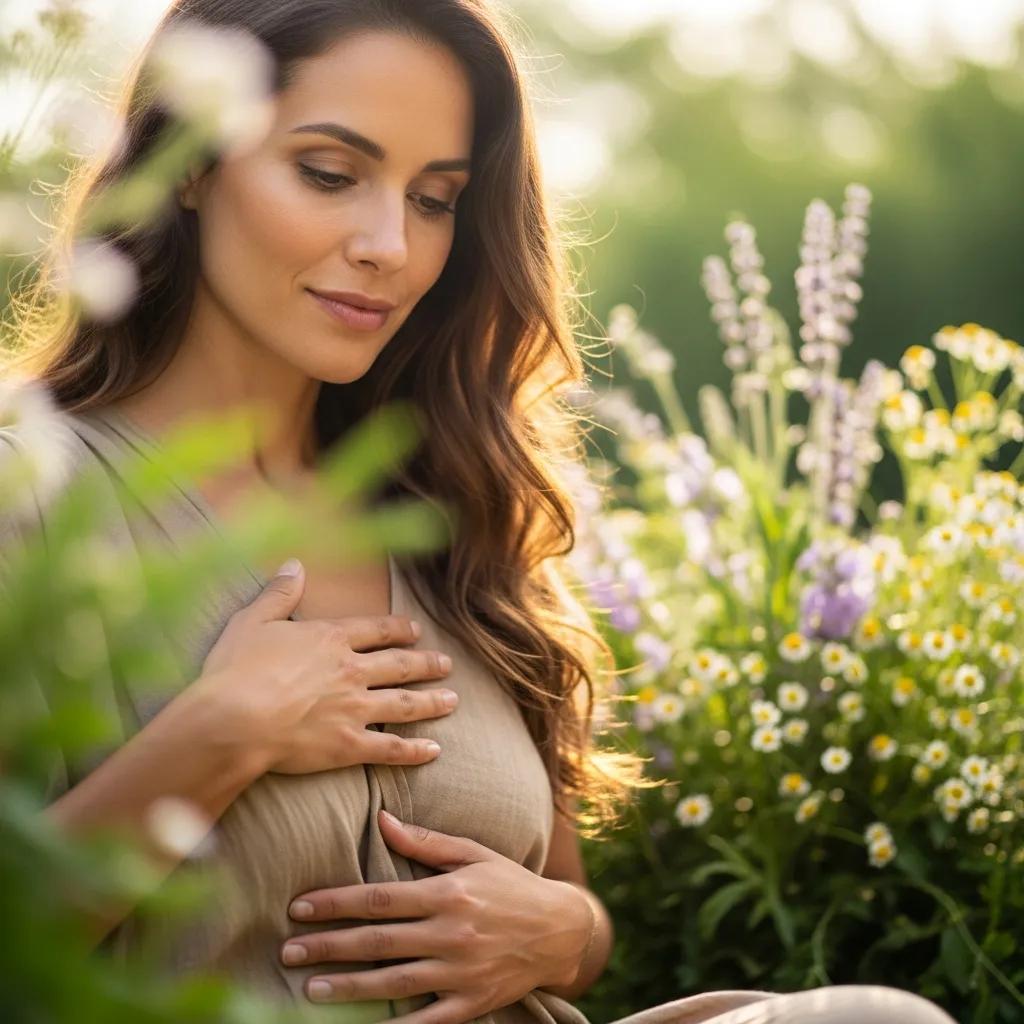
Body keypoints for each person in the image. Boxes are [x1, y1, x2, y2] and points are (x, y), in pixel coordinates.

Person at [0, 2, 956, 1022]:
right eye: (329, 174)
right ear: (189, 161)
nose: (391, 246)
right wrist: (219, 733)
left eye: (436, 199)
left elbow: (566, 903)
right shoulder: (35, 496)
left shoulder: (451, 512)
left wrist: (567, 933)